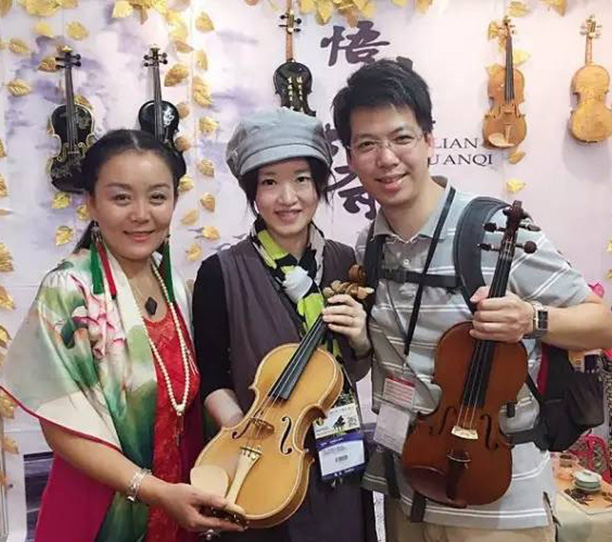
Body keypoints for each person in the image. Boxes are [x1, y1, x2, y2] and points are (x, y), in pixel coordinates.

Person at [331, 59, 612, 542]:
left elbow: (604, 325)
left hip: (498, 500)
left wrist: (531, 319)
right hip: (407, 491)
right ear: (350, 157)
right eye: (367, 144)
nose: (386, 158)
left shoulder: (493, 229)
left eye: (401, 138)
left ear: (429, 140)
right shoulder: (369, 247)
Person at [1, 130, 243, 542]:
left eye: (157, 197)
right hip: (102, 510)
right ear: (91, 203)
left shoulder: (172, 284)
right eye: (121, 198)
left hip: (178, 507)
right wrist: (155, 491)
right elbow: (61, 428)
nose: (141, 214)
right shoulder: (70, 290)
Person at [192, 107, 376, 542]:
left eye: (301, 179)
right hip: (259, 457)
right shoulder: (221, 272)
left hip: (339, 454)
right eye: (269, 182)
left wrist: (361, 340)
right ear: (253, 193)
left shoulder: (346, 263)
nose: (287, 197)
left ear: (319, 186)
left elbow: (353, 368)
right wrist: (248, 431)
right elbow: (212, 377)